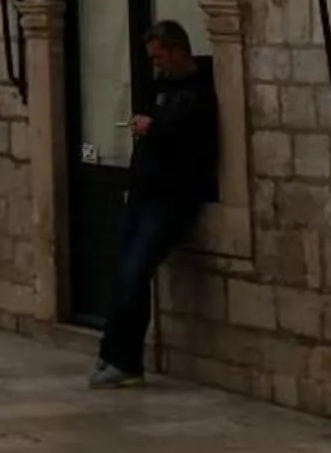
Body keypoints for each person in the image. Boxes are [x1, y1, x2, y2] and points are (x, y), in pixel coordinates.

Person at [87, 20, 220, 389]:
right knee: (123, 272)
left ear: (178, 51)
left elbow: (193, 142)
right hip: (144, 194)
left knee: (134, 271)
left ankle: (125, 361)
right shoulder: (160, 86)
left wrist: (154, 129)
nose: (156, 64)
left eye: (159, 57)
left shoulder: (203, 88)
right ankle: (112, 352)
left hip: (171, 198)